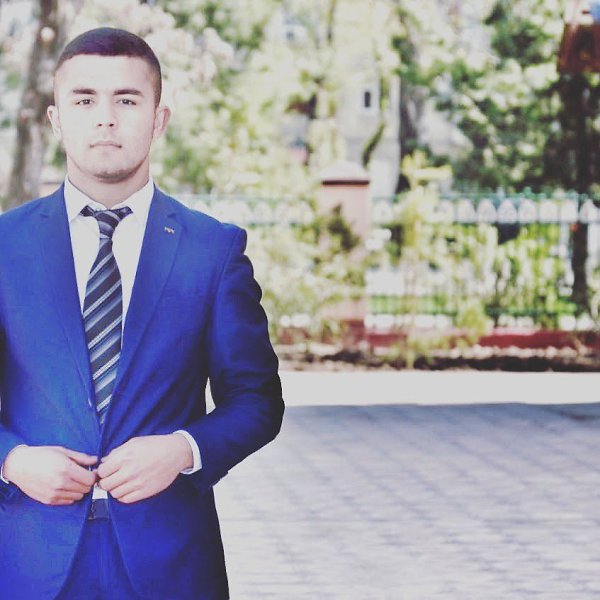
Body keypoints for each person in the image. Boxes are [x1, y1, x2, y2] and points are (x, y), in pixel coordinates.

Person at [0, 27, 284, 600]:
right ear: (56, 120)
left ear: (159, 119)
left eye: (127, 100)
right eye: (85, 100)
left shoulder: (213, 250)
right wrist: (12, 460)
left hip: (170, 564)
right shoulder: (5, 246)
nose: (105, 119)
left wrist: (183, 450)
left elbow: (257, 400)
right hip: (26, 560)